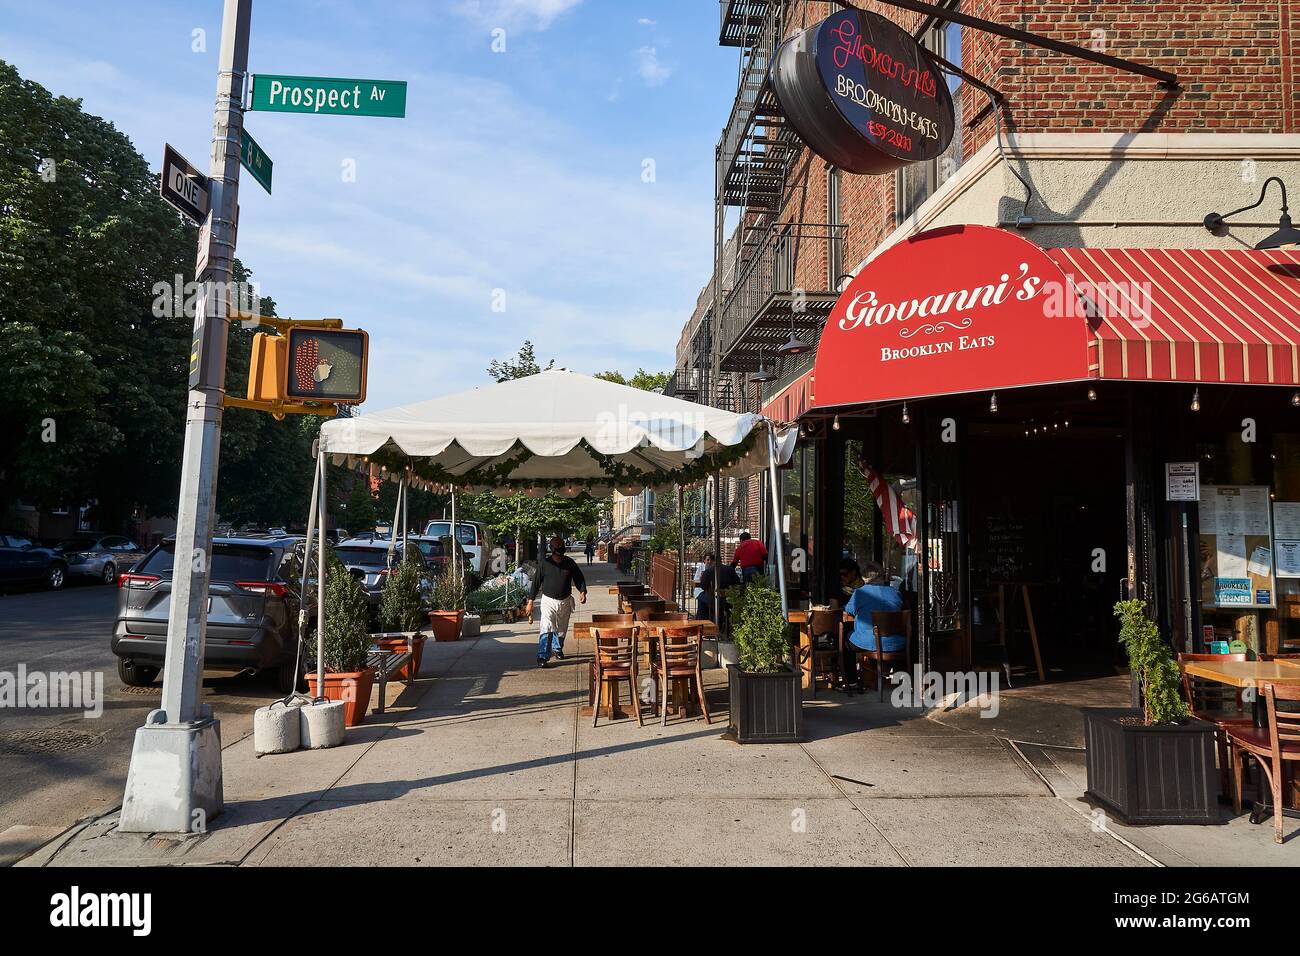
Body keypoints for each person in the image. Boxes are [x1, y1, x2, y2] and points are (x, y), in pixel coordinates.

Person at [526, 535, 588, 667]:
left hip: (565, 600)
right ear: (552, 549)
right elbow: (536, 583)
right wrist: (530, 601)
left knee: (561, 628)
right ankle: (542, 656)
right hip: (548, 601)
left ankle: (558, 648)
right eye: (557, 547)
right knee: (547, 626)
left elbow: (579, 578)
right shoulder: (544, 564)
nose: (559, 549)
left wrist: (582, 591)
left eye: (560, 546)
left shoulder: (569, 563)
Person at [843, 561, 906, 673]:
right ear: (881, 575)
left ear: (864, 577)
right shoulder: (895, 593)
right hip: (896, 642)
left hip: (868, 642)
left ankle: (851, 680)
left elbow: (849, 610)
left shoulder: (860, 593)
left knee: (846, 637)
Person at [697, 555, 740, 623]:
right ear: (721, 560)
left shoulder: (708, 571)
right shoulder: (730, 570)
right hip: (728, 599)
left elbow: (703, 586)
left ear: (713, 561)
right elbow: (737, 582)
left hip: (712, 599)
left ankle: (702, 622)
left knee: (700, 597)